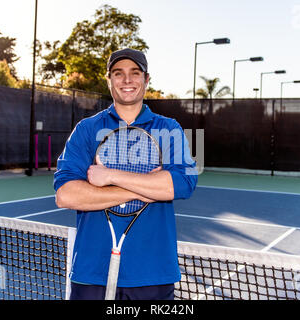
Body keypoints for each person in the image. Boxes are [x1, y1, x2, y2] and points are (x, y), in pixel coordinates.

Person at [54, 48, 197, 300]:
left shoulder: (169, 127)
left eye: (135, 73)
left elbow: (182, 184)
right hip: (91, 272)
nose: (127, 80)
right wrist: (147, 188)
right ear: (109, 80)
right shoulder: (86, 129)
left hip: (153, 273)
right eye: (118, 73)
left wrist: (110, 176)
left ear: (146, 79)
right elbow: (66, 195)